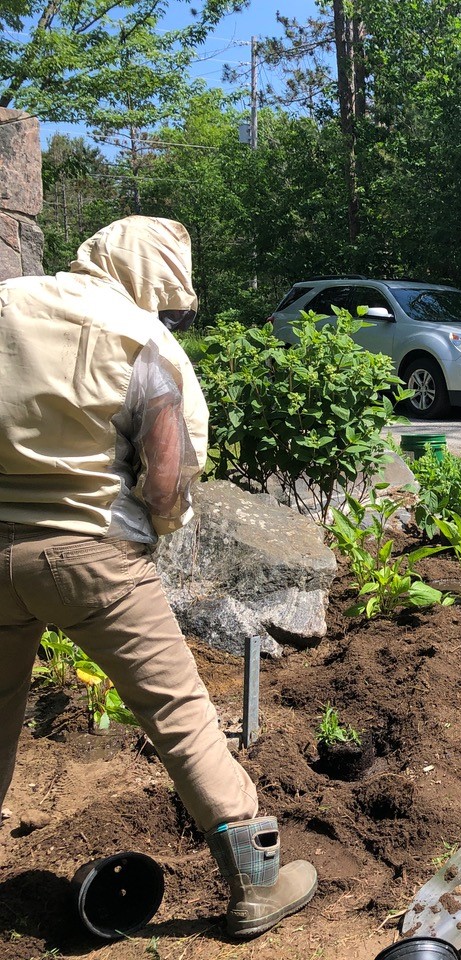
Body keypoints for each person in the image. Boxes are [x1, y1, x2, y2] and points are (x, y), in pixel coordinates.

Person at [0, 217, 317, 938]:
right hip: (94, 555)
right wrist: (158, 528)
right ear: (151, 279)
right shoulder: (139, 340)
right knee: (179, 716)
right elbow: (169, 469)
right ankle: (255, 886)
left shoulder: (8, 301)